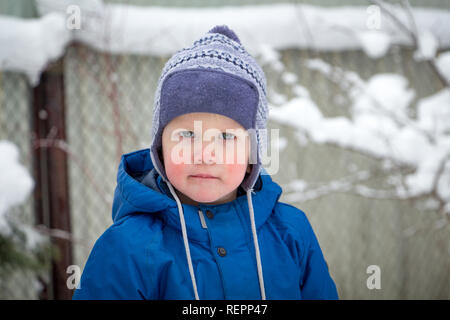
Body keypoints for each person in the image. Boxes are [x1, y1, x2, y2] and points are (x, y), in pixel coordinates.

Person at [72, 25, 338, 300]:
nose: (205, 154)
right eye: (187, 135)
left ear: (252, 155)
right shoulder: (126, 249)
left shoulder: (292, 233)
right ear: (161, 148)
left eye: (225, 137)